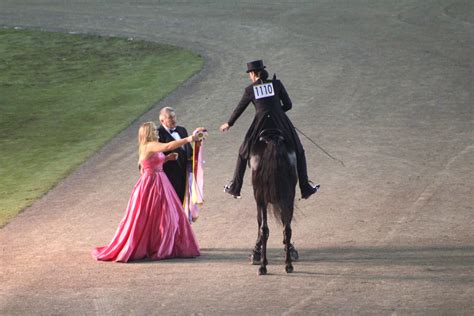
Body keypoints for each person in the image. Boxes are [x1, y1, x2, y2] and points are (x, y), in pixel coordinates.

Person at [92, 122, 201, 262]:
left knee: (162, 215)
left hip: (159, 182)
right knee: (160, 215)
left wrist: (166, 159)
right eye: (154, 130)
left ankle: (161, 244)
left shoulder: (150, 145)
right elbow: (167, 146)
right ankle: (159, 246)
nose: (156, 132)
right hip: (152, 184)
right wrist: (189, 139)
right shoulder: (149, 145)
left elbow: (148, 164)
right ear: (148, 132)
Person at [220, 60, 319, 199]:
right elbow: (288, 105)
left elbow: (239, 109)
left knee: (243, 152)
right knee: (299, 150)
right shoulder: (276, 84)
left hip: (260, 123)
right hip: (280, 122)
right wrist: (277, 112)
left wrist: (229, 123)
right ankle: (305, 187)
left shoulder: (250, 89)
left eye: (250, 74)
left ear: (253, 74)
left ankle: (235, 187)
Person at [157, 107, 193, 203]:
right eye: (170, 117)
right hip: (170, 178)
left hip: (186, 176)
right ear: (162, 121)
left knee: (187, 205)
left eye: (174, 116)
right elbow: (156, 158)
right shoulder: (157, 135)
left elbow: (189, 150)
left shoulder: (182, 130)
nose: (174, 120)